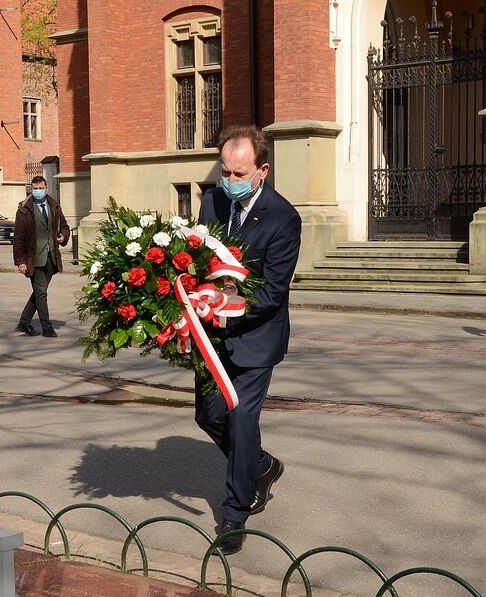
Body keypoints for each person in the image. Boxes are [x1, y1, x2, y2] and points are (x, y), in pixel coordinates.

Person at [195, 125, 301, 555]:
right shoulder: (212, 201)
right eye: (226, 172)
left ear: (263, 170)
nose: (230, 182)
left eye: (240, 174)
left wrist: (225, 302)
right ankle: (262, 465)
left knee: (240, 420)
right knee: (208, 416)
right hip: (212, 335)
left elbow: (273, 291)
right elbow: (198, 257)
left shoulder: (283, 217)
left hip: (256, 337)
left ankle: (235, 515)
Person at [12, 176, 70, 338]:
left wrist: (63, 236)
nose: (38, 191)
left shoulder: (54, 206)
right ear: (31, 189)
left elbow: (64, 226)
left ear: (46, 188)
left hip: (51, 256)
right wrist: (21, 261)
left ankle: (24, 323)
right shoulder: (24, 210)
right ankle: (46, 327)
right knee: (41, 292)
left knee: (39, 292)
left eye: (40, 188)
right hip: (33, 257)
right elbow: (18, 238)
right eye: (35, 188)